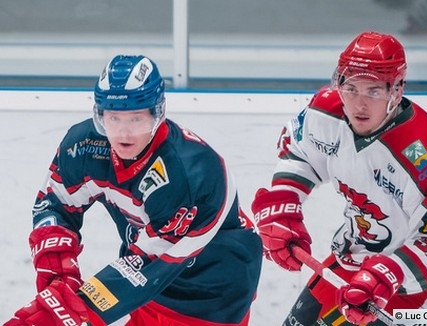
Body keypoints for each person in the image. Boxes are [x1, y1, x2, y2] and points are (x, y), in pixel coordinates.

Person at [251, 31, 427, 326]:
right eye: (351, 88)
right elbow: (301, 153)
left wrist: (388, 273)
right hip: (362, 251)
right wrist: (284, 203)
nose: (359, 104)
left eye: (374, 91)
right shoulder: (326, 112)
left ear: (396, 90)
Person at [4, 54, 263, 326]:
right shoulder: (83, 147)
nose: (124, 134)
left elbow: (145, 268)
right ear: (99, 114)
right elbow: (55, 204)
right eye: (114, 118)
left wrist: (66, 310)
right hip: (147, 292)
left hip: (213, 293)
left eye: (136, 119)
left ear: (158, 113)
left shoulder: (189, 171)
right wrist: (58, 275)